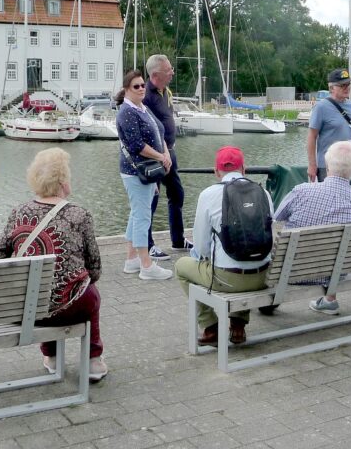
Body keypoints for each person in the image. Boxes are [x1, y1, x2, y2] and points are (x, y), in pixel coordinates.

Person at [0, 148, 108, 381]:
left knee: (40, 290)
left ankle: (51, 357)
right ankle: (93, 360)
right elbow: (95, 269)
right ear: (63, 181)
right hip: (72, 307)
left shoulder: (19, 212)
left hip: (27, 309)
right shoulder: (79, 215)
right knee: (89, 294)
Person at [175, 146, 273, 346]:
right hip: (264, 277)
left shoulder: (208, 195)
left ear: (216, 171)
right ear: (244, 169)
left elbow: (201, 248)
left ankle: (211, 327)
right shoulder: (263, 193)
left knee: (181, 267)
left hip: (227, 280)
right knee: (248, 256)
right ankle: (238, 326)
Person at [275, 140, 351, 315]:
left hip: (292, 272)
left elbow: (277, 218)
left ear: (326, 165)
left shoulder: (301, 191)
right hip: (335, 274)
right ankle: (329, 299)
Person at [116, 69, 173, 280]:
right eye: (136, 86)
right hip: (136, 171)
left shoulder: (142, 108)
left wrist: (165, 153)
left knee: (136, 213)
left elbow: (159, 131)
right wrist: (160, 156)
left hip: (149, 171)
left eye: (142, 85)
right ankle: (146, 265)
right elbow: (136, 145)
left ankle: (131, 260)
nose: (141, 89)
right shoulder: (127, 112)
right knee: (142, 216)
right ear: (126, 90)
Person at [143, 53, 191, 259]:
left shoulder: (165, 91)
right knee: (151, 199)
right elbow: (146, 127)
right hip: (153, 155)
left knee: (177, 194)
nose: (172, 72)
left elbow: (166, 118)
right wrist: (158, 152)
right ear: (155, 75)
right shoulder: (146, 96)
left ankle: (178, 240)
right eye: (168, 70)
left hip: (169, 151)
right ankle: (147, 245)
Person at [306, 68, 351, 182]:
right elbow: (311, 136)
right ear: (331, 88)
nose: (347, 88)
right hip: (327, 167)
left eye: (348, 84)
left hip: (347, 166)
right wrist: (312, 164)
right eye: (342, 85)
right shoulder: (321, 107)